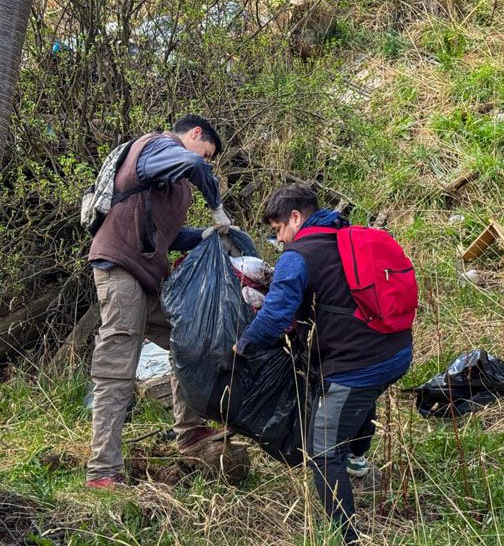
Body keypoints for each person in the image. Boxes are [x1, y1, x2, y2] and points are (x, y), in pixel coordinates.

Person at [234, 185, 413, 545]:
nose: (278, 238)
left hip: (358, 365)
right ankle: (359, 460)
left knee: (323, 452)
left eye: (278, 229)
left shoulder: (297, 255)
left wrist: (243, 345)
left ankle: (346, 537)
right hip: (396, 351)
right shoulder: (345, 235)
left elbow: (274, 317)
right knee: (359, 401)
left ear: (296, 218)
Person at [85, 114, 233, 489]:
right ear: (195, 134)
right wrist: (215, 204)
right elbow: (194, 162)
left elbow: (166, 234)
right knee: (118, 365)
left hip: (150, 277)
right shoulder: (155, 147)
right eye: (208, 151)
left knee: (191, 340)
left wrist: (206, 234)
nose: (207, 161)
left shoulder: (174, 181)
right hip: (121, 270)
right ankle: (103, 471)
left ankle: (188, 430)